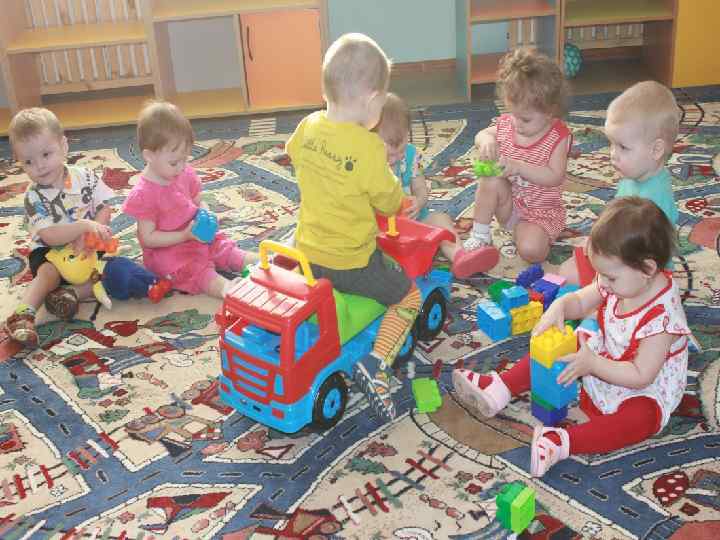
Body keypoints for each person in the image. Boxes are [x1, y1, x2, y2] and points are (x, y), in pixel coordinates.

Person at [453, 197, 690, 477]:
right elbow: (581, 300)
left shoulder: (662, 320)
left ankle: (561, 442)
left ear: (648, 269)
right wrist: (561, 306)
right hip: (603, 354)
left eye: (610, 278)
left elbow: (641, 375)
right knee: (563, 341)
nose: (603, 283)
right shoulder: (620, 278)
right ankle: (500, 388)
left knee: (642, 418)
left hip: (641, 386)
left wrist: (594, 364)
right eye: (601, 275)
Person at [286, 33, 417, 421]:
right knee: (409, 297)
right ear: (372, 99)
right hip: (350, 263)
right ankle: (376, 363)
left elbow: (293, 153)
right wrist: (400, 199)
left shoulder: (308, 126)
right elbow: (389, 202)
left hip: (306, 255)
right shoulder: (368, 148)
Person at [122, 101, 257, 299]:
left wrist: (205, 210)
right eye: (174, 162)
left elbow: (198, 200)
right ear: (149, 156)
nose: (181, 167)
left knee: (222, 247)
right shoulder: (144, 195)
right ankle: (228, 289)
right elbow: (148, 238)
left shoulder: (184, 172)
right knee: (194, 270)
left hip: (197, 235)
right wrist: (184, 236)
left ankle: (264, 262)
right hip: (170, 251)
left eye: (185, 159)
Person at [4, 107, 114, 347]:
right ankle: (23, 315)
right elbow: (50, 236)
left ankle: (69, 295)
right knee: (49, 274)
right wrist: (82, 226)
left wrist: (94, 233)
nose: (40, 166)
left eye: (46, 154)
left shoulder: (86, 176)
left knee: (110, 271)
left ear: (63, 146)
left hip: (87, 247)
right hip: (50, 252)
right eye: (29, 162)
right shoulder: (33, 197)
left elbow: (104, 207)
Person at [559, 80, 680, 285]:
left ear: (656, 150)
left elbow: (647, 256)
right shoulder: (632, 177)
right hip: (619, 257)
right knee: (568, 269)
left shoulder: (655, 202)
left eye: (623, 147)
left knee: (571, 276)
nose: (613, 154)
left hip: (644, 274)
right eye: (612, 144)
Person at [464, 47, 571, 264]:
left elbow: (554, 176)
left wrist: (519, 166)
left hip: (541, 214)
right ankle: (480, 235)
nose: (516, 123)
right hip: (510, 206)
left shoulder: (558, 136)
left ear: (550, 111)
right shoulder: (508, 125)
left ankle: (526, 233)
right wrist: (487, 141)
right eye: (512, 114)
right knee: (490, 179)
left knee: (531, 251)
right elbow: (482, 134)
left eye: (525, 119)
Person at [376, 93, 498, 278]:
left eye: (401, 150)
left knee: (440, 219)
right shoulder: (367, 166)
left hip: (415, 223)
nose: (397, 158)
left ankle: (460, 256)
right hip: (384, 230)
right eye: (390, 155)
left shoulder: (409, 156)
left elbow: (420, 188)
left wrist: (419, 202)